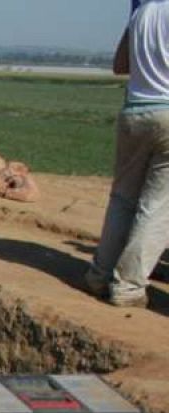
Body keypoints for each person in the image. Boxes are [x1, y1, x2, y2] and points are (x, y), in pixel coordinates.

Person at [87, 0, 169, 308]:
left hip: (134, 112)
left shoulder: (142, 13)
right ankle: (129, 287)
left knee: (123, 199)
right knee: (158, 208)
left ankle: (99, 275)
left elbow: (120, 64)